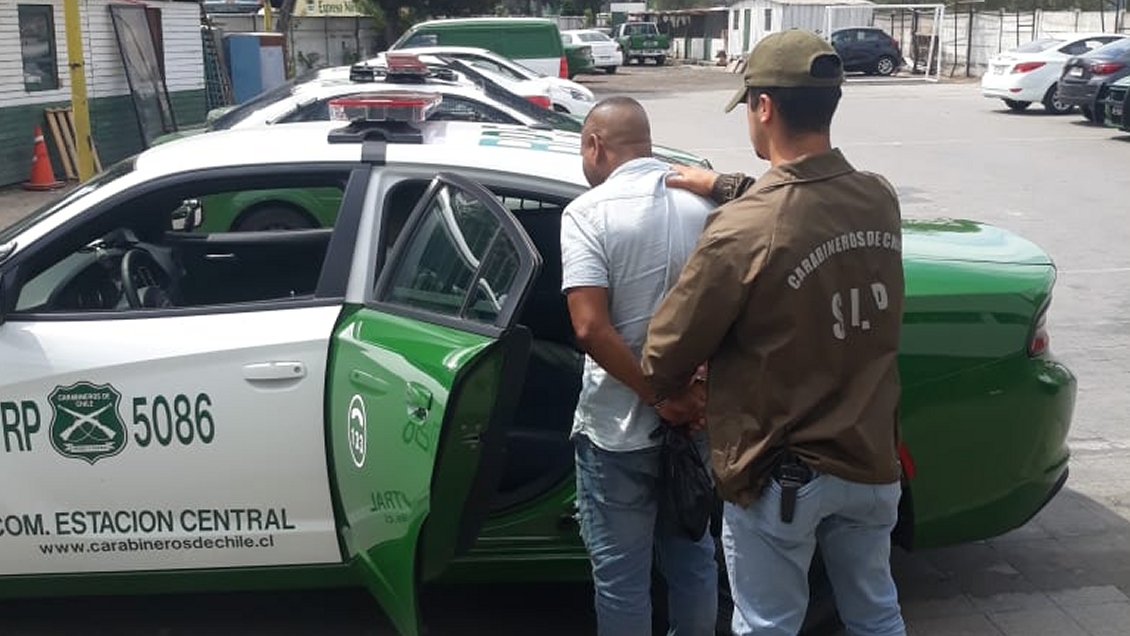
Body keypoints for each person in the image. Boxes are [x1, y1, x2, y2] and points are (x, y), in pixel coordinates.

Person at [641, 30, 909, 636]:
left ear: (763, 107)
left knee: (766, 625)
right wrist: (723, 185)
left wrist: (678, 391)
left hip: (785, 475)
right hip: (871, 460)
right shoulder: (878, 197)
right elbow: (807, 198)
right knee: (876, 612)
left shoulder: (742, 229)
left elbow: (664, 353)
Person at [561, 96, 718, 636]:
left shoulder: (587, 213)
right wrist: (695, 390)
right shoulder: (706, 208)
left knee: (622, 582)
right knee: (695, 562)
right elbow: (736, 312)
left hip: (616, 435)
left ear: (595, 145)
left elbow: (589, 327)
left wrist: (658, 396)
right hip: (697, 422)